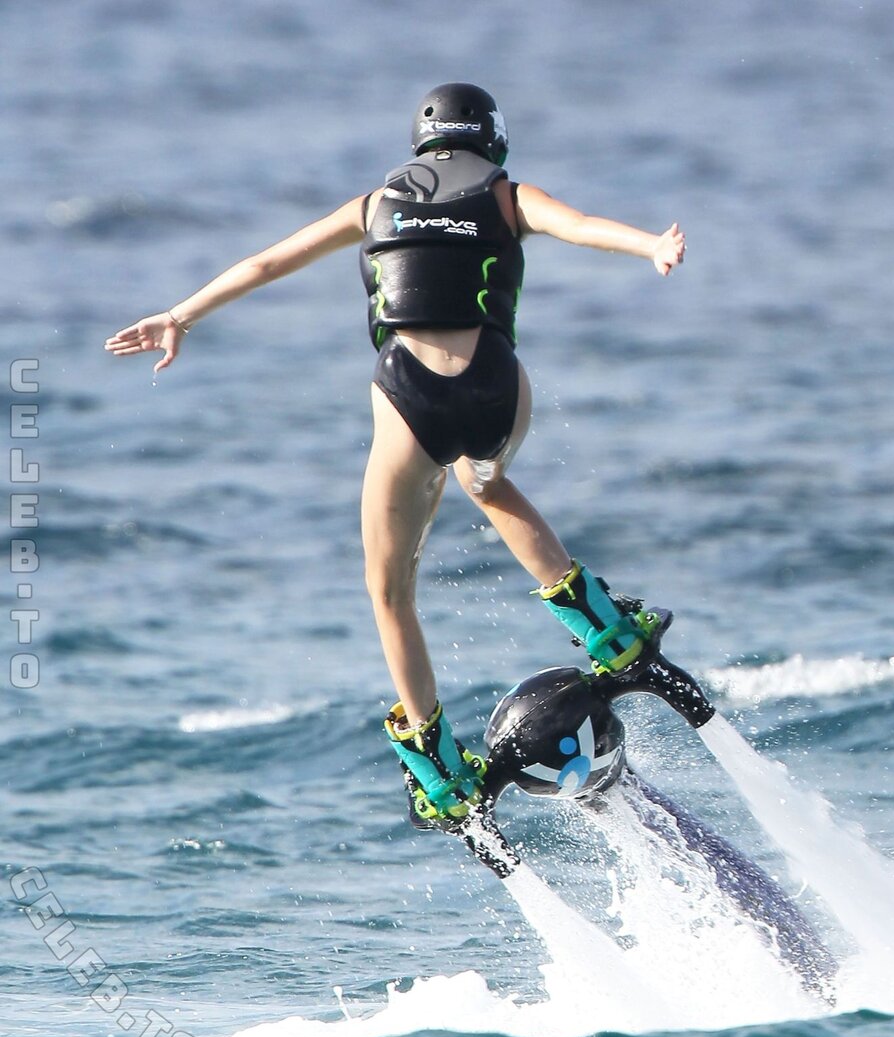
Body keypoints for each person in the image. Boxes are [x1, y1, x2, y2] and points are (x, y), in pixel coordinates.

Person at [105, 83, 685, 824]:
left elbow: (267, 264)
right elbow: (578, 227)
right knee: (488, 484)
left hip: (409, 398)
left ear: (421, 140)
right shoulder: (508, 197)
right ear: (492, 140)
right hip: (495, 387)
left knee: (389, 592)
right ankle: (604, 630)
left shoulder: (373, 204)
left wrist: (179, 315)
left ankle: (439, 768)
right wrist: (650, 245)